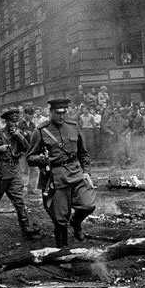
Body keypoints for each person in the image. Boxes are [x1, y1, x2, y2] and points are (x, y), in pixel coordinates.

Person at [27, 98, 96, 248]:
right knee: (60, 218)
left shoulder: (73, 126)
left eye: (64, 112)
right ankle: (62, 249)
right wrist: (41, 159)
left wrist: (86, 172)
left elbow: (84, 153)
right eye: (58, 113)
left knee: (88, 205)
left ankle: (76, 223)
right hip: (56, 177)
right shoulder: (40, 131)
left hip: (76, 172)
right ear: (51, 112)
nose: (61, 116)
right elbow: (30, 158)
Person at [0, 108, 41, 240]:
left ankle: (26, 229)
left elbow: (28, 149)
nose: (14, 124)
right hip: (0, 174)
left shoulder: (18, 135)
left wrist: (19, 136)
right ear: (6, 122)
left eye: (16, 122)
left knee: (19, 201)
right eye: (12, 122)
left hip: (14, 171)